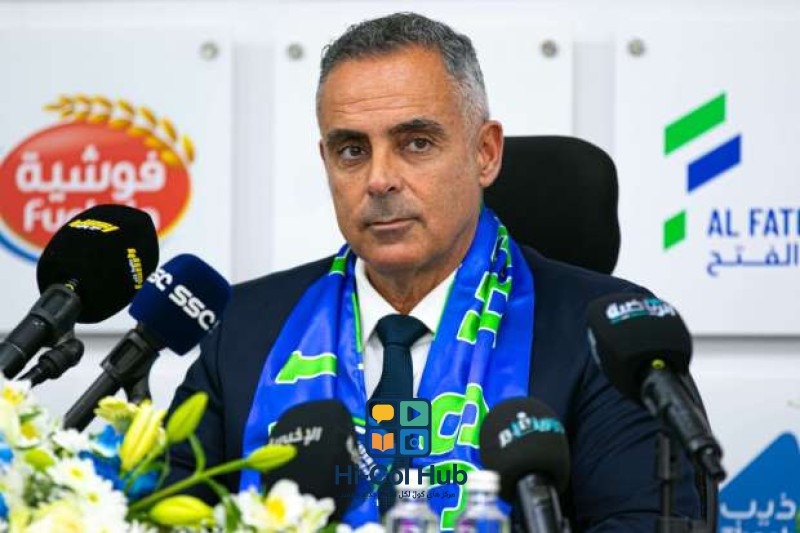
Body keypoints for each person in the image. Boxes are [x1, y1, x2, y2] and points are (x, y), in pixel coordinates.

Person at [168, 12, 701, 531]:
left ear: (485, 153)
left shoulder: (606, 342)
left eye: (416, 143)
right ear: (326, 161)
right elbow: (161, 514)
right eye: (352, 150)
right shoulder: (244, 330)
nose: (379, 179)